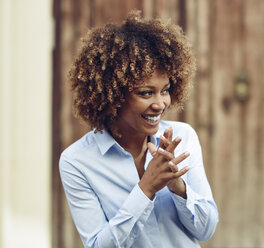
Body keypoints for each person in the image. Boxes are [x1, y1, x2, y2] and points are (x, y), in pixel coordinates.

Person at [59, 10, 218, 248]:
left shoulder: (183, 137)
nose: (160, 103)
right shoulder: (76, 161)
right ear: (112, 95)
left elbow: (205, 230)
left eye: (164, 90)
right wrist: (146, 189)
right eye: (146, 93)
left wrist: (177, 186)